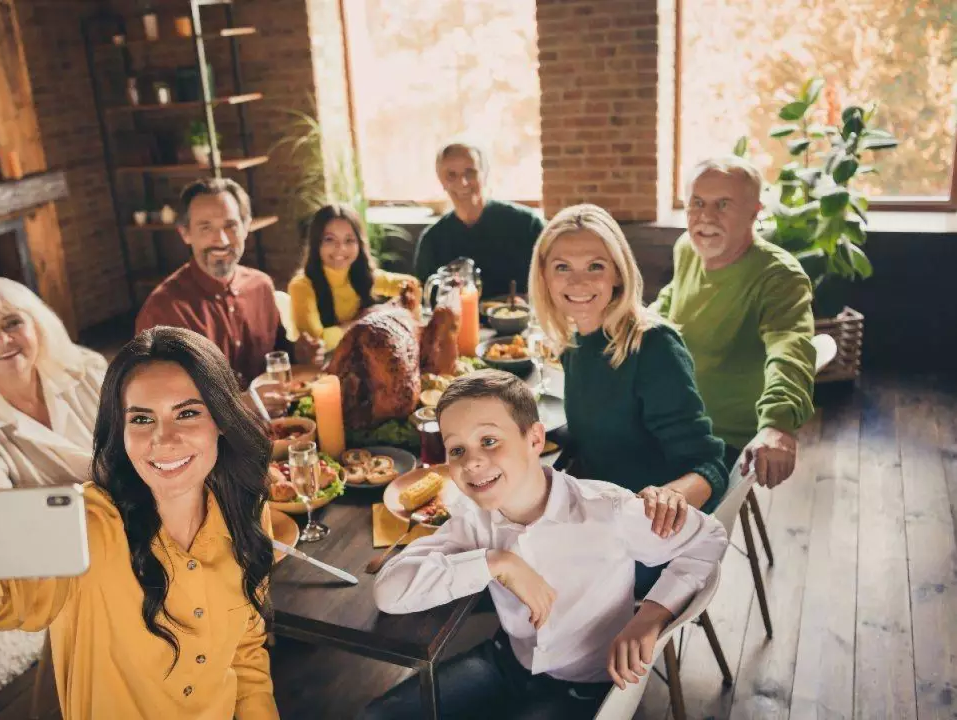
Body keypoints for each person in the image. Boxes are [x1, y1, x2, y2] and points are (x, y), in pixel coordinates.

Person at [0, 327, 279, 719]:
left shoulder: (246, 510)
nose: (163, 438)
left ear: (222, 420)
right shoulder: (87, 526)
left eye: (187, 413)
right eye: (141, 419)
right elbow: (8, 596)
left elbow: (246, 651)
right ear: (119, 430)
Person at [364, 371, 728, 719]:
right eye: (456, 450)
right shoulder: (472, 519)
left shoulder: (608, 510)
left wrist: (650, 617)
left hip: (586, 685)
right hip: (507, 663)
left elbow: (709, 537)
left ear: (535, 439)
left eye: (489, 441)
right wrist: (496, 562)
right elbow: (390, 591)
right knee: (377, 714)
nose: (472, 461)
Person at [528, 204, 727, 539]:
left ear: (618, 273)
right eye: (563, 267)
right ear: (544, 276)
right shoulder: (577, 342)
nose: (578, 281)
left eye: (595, 266)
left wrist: (671, 497)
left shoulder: (654, 347)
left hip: (652, 532)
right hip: (600, 510)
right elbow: (595, 429)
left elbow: (710, 467)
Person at [652, 157, 815, 488]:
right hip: (667, 420)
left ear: (754, 213)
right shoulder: (688, 248)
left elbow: (791, 347)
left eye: (722, 205)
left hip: (719, 444)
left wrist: (778, 422)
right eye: (697, 203)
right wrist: (638, 322)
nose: (706, 217)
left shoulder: (779, 276)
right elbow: (673, 298)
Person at [136, 177, 321, 387]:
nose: (222, 240)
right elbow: (167, 396)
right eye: (206, 227)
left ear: (246, 226)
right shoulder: (162, 310)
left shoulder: (261, 286)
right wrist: (247, 404)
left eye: (230, 225)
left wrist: (300, 352)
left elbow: (278, 353)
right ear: (185, 233)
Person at [0, 277, 107, 489]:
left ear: (37, 327)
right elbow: (1, 506)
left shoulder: (87, 371)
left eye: (12, 323)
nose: (2, 341)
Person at [412, 142, 545, 297]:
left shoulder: (527, 225)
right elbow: (425, 301)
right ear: (441, 181)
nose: (462, 183)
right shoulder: (432, 240)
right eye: (451, 175)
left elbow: (549, 285)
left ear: (485, 174)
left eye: (470, 172)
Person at [288, 204, 419, 351]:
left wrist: (397, 310)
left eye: (349, 240)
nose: (340, 248)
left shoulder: (362, 274)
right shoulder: (301, 286)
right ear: (316, 243)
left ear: (360, 244)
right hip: (320, 368)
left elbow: (412, 285)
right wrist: (366, 319)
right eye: (330, 239)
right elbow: (318, 341)